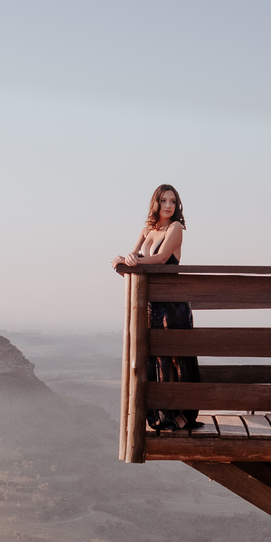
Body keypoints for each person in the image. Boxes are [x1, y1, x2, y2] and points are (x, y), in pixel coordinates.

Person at [113, 183, 200, 433]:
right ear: (156, 203)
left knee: (177, 359)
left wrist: (134, 260)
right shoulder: (146, 230)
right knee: (158, 359)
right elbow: (132, 265)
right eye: (164, 201)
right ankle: (164, 414)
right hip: (153, 306)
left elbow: (161, 261)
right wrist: (123, 259)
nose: (169, 206)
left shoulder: (176, 228)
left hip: (173, 304)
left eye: (173, 201)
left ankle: (185, 414)